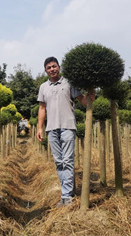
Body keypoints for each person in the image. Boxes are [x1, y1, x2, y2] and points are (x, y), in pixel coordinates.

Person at [36, 56, 93, 208]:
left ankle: (66, 196)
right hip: (52, 129)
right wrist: (39, 128)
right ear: (46, 71)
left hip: (68, 126)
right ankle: (67, 193)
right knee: (59, 162)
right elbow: (42, 108)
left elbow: (82, 100)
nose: (52, 69)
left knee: (67, 161)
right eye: (49, 68)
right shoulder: (43, 87)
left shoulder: (69, 83)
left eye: (54, 66)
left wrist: (90, 97)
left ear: (59, 67)